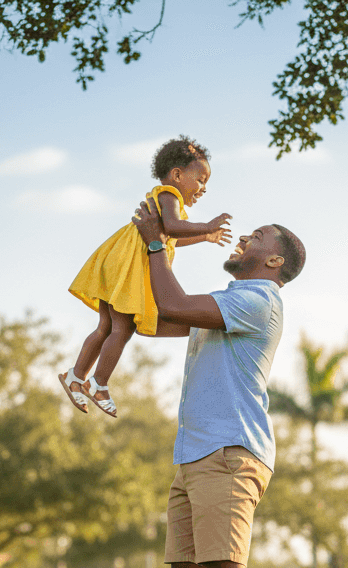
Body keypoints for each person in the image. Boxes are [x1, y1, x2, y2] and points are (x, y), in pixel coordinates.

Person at [130, 198, 327, 568]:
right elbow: (161, 314)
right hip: (194, 454)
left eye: (259, 236)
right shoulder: (226, 301)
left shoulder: (259, 300)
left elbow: (171, 299)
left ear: (274, 262)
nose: (246, 237)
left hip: (231, 453)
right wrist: (116, 289)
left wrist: (155, 242)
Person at [61, 136, 233, 418]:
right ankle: (98, 383)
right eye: (200, 179)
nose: (203, 188)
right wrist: (206, 225)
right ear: (177, 174)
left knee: (106, 326)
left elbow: (171, 237)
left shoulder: (165, 200)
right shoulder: (169, 196)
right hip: (129, 266)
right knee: (122, 328)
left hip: (117, 263)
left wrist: (204, 237)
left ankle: (75, 376)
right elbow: (173, 227)